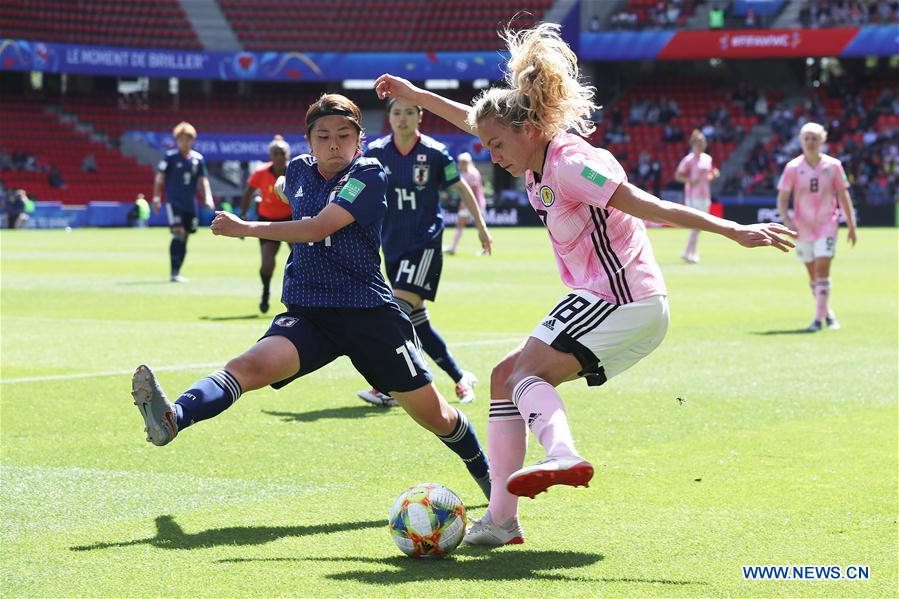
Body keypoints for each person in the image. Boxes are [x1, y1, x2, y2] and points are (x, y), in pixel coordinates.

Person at [374, 22, 795, 547]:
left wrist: (733, 229)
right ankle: (501, 521)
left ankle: (564, 454)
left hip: (624, 297)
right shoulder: (530, 150)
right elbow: (475, 119)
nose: (492, 155)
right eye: (486, 146)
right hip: (601, 297)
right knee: (505, 376)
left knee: (525, 372)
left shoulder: (570, 164)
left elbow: (649, 204)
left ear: (527, 130)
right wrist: (415, 96)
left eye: (497, 145)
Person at [130, 93, 491, 501]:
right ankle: (172, 417)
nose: (334, 144)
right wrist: (286, 188)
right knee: (247, 366)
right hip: (311, 314)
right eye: (323, 136)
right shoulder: (300, 170)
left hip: (370, 316)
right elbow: (292, 186)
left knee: (438, 417)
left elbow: (319, 227)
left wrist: (246, 227)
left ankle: (489, 479)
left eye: (343, 135)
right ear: (309, 142)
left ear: (359, 139)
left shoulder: (369, 173)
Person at [355, 97, 493, 408]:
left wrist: (481, 227)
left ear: (420, 117)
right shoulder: (376, 153)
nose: (402, 119)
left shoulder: (433, 152)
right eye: (396, 113)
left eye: (408, 112)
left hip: (424, 244)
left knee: (396, 313)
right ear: (388, 117)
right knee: (417, 322)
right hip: (391, 246)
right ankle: (460, 377)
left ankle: (391, 385)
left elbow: (461, 187)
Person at [776, 122, 857, 332]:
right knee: (813, 274)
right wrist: (786, 219)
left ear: (822, 140)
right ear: (801, 141)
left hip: (827, 224)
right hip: (802, 228)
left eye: (814, 138)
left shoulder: (833, 166)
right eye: (807, 138)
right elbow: (782, 198)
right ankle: (827, 313)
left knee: (822, 268)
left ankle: (817, 320)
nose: (810, 142)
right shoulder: (792, 168)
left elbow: (843, 195)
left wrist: (851, 223)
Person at [152, 122, 215, 282]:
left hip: (190, 203)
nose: (184, 142)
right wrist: (157, 197)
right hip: (174, 202)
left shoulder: (197, 159)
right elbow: (160, 178)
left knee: (186, 236)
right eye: (181, 139)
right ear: (176, 140)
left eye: (187, 139)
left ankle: (178, 271)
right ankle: (173, 272)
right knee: (178, 234)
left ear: (192, 140)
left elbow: (203, 180)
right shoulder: (170, 157)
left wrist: (207, 197)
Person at [238, 135, 292, 313]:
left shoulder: (296, 171)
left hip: (292, 221)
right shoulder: (261, 173)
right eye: (275, 153)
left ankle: (300, 298)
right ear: (270, 155)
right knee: (267, 263)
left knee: (303, 260)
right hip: (268, 221)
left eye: (282, 153)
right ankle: (266, 291)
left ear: (288, 154)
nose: (279, 156)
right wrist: (243, 216)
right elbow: (248, 193)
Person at [675, 130, 720, 263]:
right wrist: (689, 181)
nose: (700, 145)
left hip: (705, 195)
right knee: (697, 224)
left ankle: (688, 252)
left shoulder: (708, 158)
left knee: (699, 226)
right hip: (692, 196)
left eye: (702, 142)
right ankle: (692, 253)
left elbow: (709, 175)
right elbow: (678, 176)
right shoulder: (688, 160)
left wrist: (714, 175)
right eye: (698, 142)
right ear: (693, 144)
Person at [446, 152, 489, 256]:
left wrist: (466, 204)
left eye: (464, 162)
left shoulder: (473, 173)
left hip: (477, 205)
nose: (461, 164)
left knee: (479, 227)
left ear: (468, 162)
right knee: (460, 224)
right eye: (460, 162)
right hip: (466, 204)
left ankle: (486, 249)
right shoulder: (461, 172)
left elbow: (473, 191)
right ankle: (452, 248)